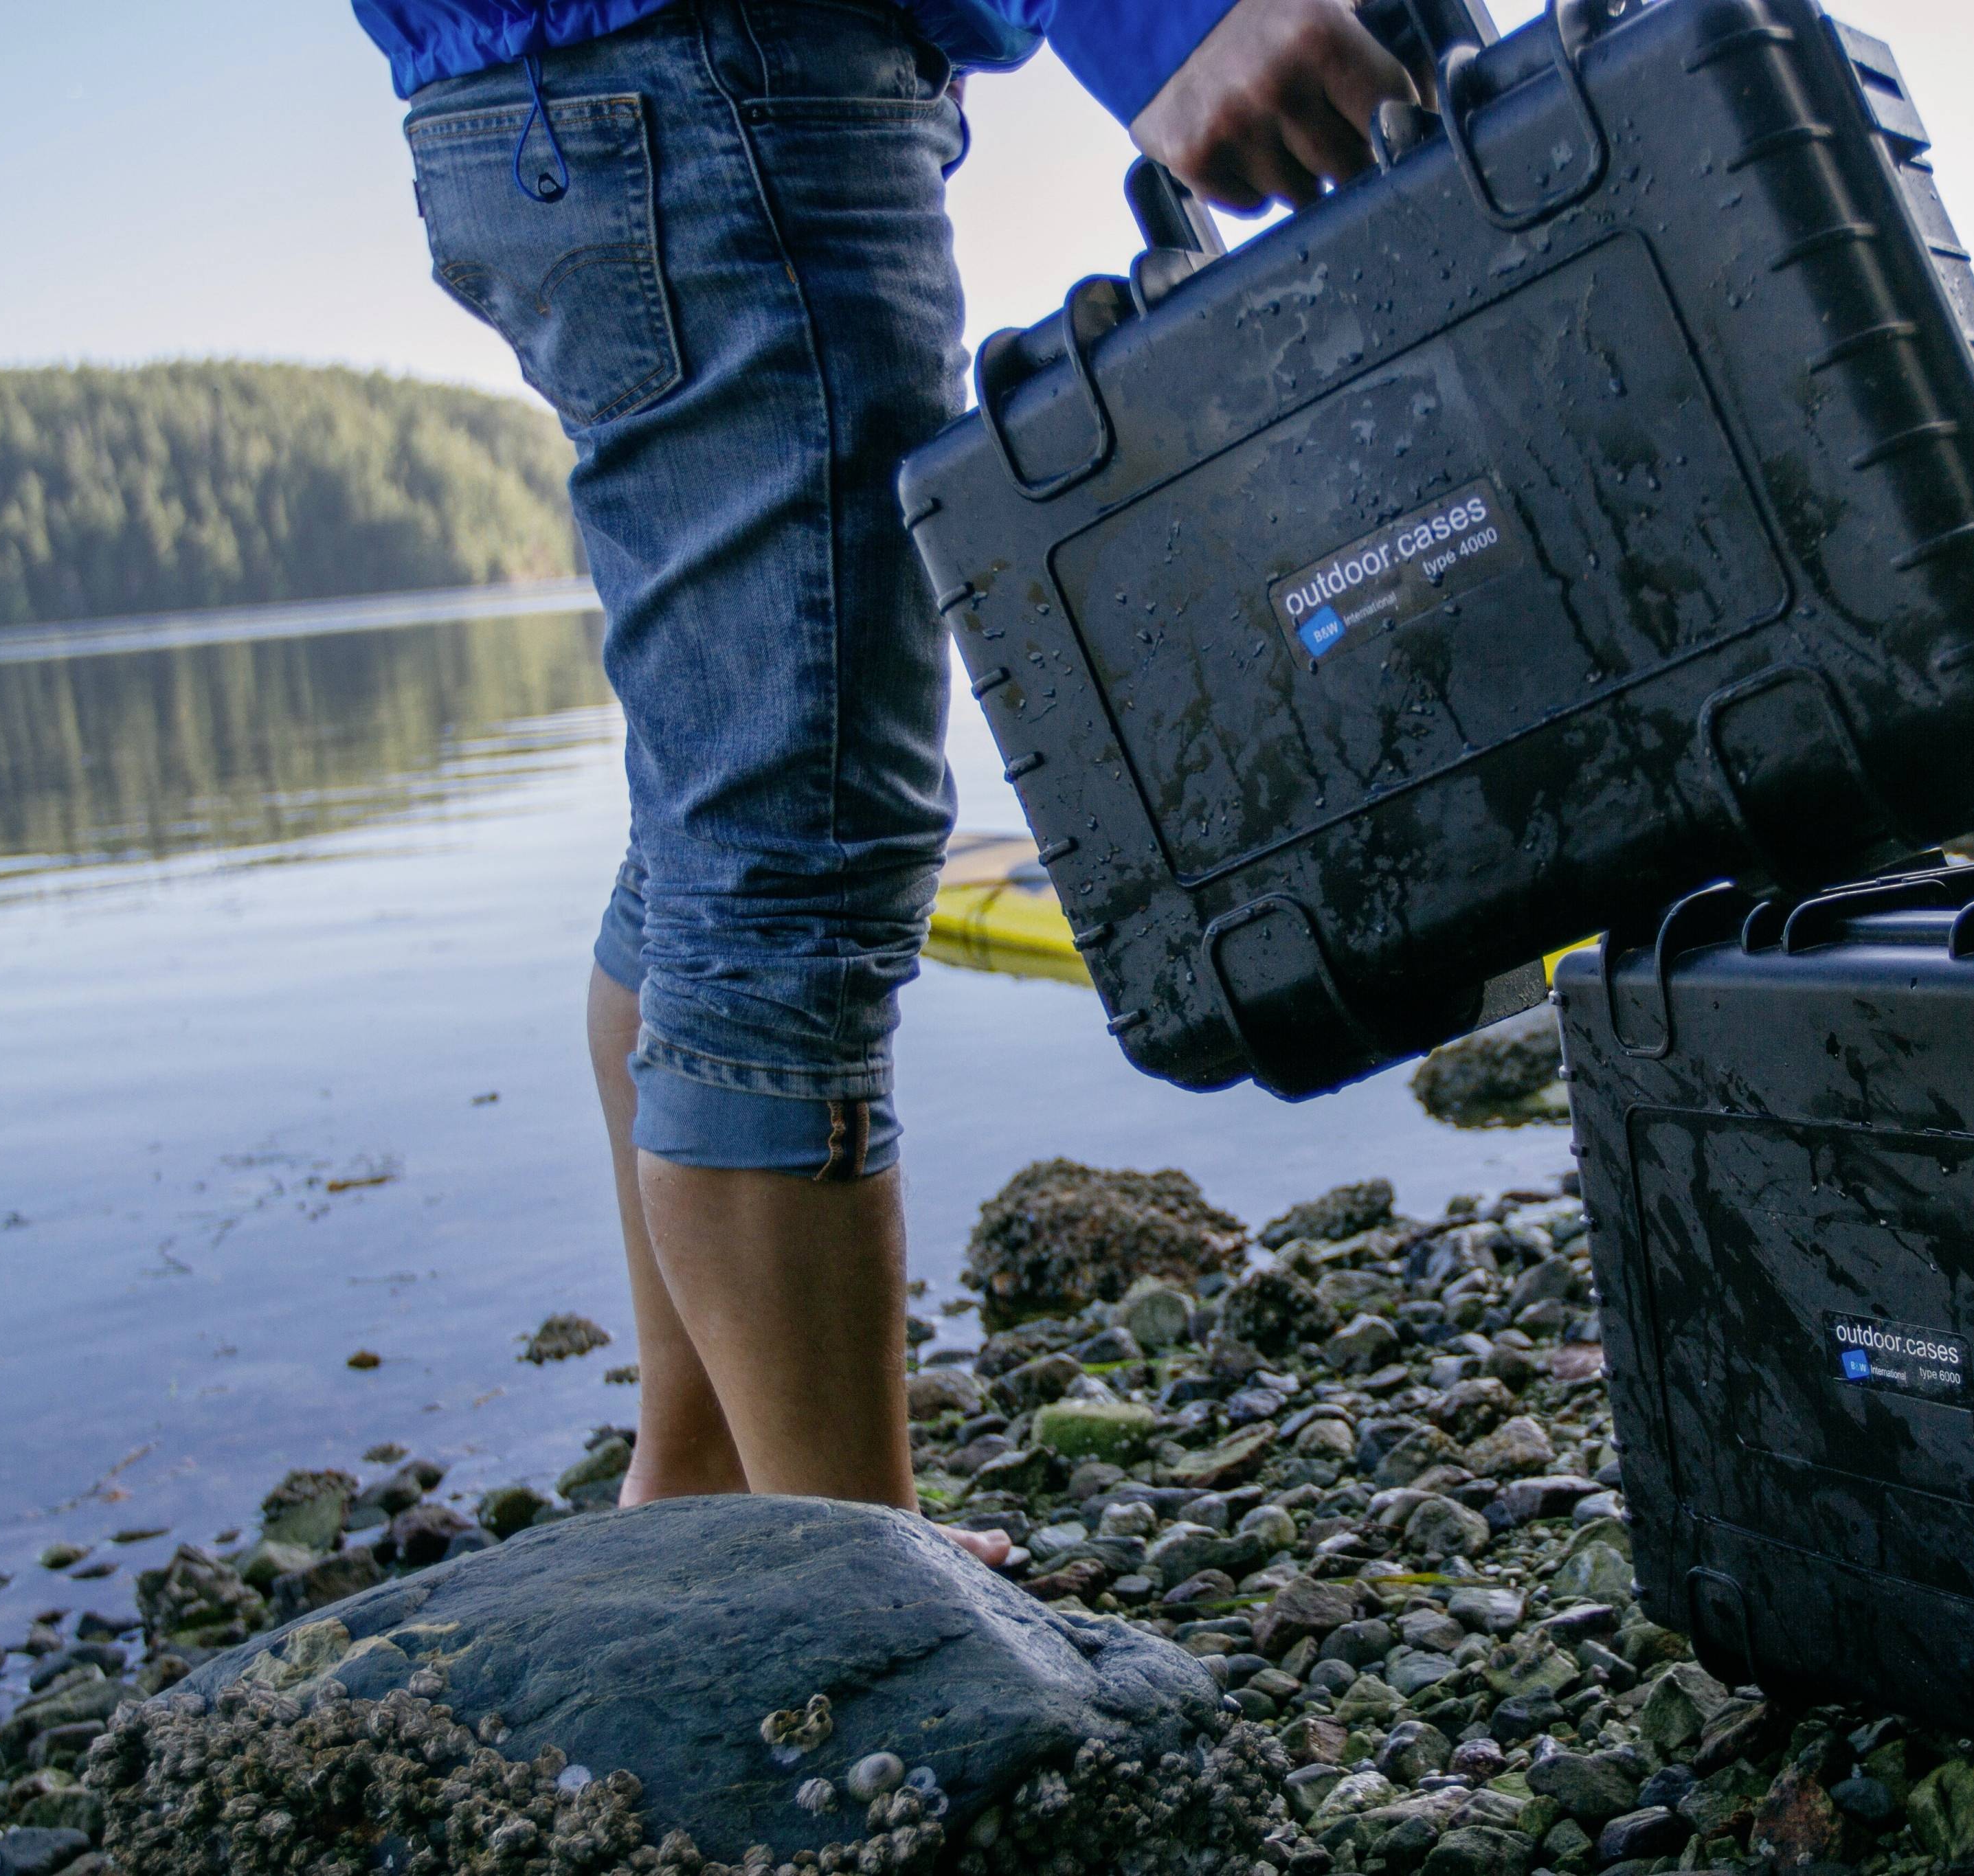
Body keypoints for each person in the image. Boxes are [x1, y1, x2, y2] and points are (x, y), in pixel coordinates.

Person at [352, 0, 1416, 1556]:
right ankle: (860, 1595)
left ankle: (710, 1477)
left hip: (563, 97)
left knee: (715, 824)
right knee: (794, 852)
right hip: (713, 77)